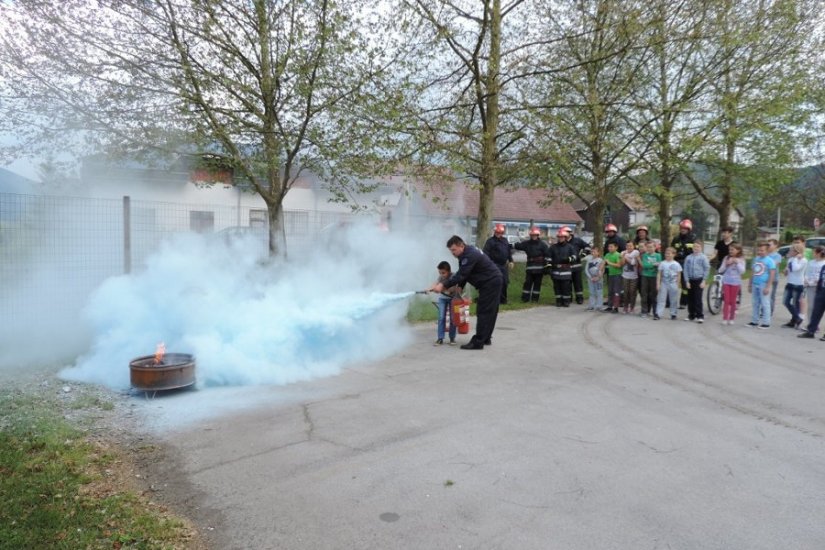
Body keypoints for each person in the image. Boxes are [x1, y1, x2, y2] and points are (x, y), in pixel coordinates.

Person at [429, 235, 503, 350]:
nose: (452, 253)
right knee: (490, 311)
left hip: (490, 282)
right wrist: (460, 287)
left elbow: (461, 274)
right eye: (450, 251)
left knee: (484, 311)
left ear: (461, 246)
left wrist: (442, 285)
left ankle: (478, 342)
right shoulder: (466, 254)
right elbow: (465, 273)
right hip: (493, 281)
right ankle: (486, 338)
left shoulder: (469, 255)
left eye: (453, 250)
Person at [514, 227, 550, 303]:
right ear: (530, 235)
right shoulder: (526, 244)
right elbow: (518, 246)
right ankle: (525, 298)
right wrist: (513, 244)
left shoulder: (543, 245)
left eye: (535, 235)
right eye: (532, 235)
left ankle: (535, 299)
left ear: (538, 235)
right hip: (530, 268)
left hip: (539, 268)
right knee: (527, 283)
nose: (534, 236)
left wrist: (547, 266)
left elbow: (548, 256)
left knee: (537, 284)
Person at [747, 241, 777, 329]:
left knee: (765, 303)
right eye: (759, 250)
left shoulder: (770, 261)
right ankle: (754, 321)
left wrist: (768, 286)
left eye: (762, 250)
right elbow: (752, 271)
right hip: (755, 283)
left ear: (767, 251)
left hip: (763, 284)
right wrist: (749, 284)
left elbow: (772, 274)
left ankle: (766, 322)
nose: (760, 252)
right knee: (755, 303)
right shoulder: (756, 259)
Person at [483, 224, 514, 304]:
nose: (498, 234)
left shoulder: (505, 240)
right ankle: (494, 299)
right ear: (495, 232)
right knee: (495, 282)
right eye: (497, 232)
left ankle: (503, 300)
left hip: (503, 265)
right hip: (494, 265)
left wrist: (511, 260)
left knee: (504, 282)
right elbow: (485, 253)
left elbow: (508, 251)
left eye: (500, 232)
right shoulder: (490, 241)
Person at [546, 228, 578, 307]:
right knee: (557, 287)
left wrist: (568, 259)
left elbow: (575, 257)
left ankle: (566, 301)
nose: (560, 238)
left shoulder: (570, 247)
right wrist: (549, 268)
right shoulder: (553, 247)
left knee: (566, 287)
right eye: (559, 237)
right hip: (556, 270)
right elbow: (548, 258)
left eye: (562, 237)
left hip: (566, 271)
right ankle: (559, 301)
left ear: (565, 238)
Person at [798, 246, 825, 339]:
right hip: (819, 290)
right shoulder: (818, 265)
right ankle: (811, 330)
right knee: (815, 310)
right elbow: (819, 277)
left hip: (819, 288)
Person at [432, 261, 461, 345]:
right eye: (440, 273)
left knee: (453, 319)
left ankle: (452, 338)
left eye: (443, 273)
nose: (441, 275)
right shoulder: (441, 277)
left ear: (449, 271)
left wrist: (440, 289)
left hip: (453, 299)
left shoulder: (454, 276)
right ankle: (440, 338)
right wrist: (429, 288)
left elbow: (453, 289)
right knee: (441, 318)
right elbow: (436, 284)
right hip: (442, 299)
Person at [670, 219, 696, 308]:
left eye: (685, 228)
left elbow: (695, 252)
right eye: (681, 228)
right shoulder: (676, 239)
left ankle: (683, 302)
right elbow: (672, 250)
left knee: (685, 283)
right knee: (672, 281)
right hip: (676, 262)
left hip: (687, 263)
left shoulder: (693, 239)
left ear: (689, 229)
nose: (683, 230)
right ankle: (669, 302)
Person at [717, 243, 746, 325]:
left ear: (738, 250)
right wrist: (726, 264)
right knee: (726, 300)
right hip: (726, 281)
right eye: (730, 249)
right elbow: (720, 270)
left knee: (733, 301)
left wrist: (737, 263)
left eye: (732, 249)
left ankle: (731, 318)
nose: (730, 251)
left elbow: (742, 271)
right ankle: (725, 318)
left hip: (736, 283)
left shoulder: (741, 259)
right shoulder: (726, 258)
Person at [683, 238, 710, 323]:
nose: (696, 248)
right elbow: (685, 269)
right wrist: (687, 281)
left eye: (698, 247)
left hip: (699, 280)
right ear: (692, 247)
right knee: (690, 299)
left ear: (701, 248)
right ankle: (691, 315)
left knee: (698, 298)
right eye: (694, 246)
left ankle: (700, 316)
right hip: (690, 280)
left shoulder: (703, 257)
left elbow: (706, 269)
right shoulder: (688, 258)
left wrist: (704, 280)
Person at [781, 242, 808, 329]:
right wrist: (786, 271)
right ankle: (797, 318)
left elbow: (796, 269)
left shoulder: (803, 260)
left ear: (797, 252)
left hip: (798, 284)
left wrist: (796, 259)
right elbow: (789, 270)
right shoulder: (791, 259)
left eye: (791, 250)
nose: (789, 251)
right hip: (790, 283)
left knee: (796, 304)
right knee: (785, 301)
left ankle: (794, 321)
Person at [565, 226, 591, 304]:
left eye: (567, 233)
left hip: (576, 266)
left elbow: (587, 247)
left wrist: (582, 255)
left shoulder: (577, 241)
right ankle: (568, 298)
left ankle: (579, 298)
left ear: (570, 233)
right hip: (566, 267)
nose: (565, 234)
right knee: (567, 283)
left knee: (577, 283)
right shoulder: (562, 242)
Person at [656, 247, 682, 321]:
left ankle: (673, 314)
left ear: (674, 254)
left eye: (669, 254)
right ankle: (658, 314)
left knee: (673, 299)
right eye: (666, 253)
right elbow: (659, 274)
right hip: (664, 283)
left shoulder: (676, 264)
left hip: (673, 283)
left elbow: (678, 274)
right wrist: (658, 284)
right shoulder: (662, 263)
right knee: (661, 299)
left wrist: (677, 284)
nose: (667, 255)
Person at [639, 241, 661, 318]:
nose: (649, 248)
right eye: (648, 247)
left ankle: (654, 311)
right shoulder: (645, 255)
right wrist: (654, 265)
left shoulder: (658, 255)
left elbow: (659, 265)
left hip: (654, 276)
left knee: (653, 295)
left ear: (655, 247)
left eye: (651, 247)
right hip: (645, 276)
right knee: (644, 294)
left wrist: (654, 265)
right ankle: (644, 311)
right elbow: (644, 265)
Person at [620, 240, 640, 313]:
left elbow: (634, 263)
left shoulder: (636, 252)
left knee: (632, 292)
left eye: (631, 246)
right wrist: (623, 257)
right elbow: (621, 264)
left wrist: (626, 258)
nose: (629, 247)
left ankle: (632, 307)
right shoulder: (623, 252)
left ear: (634, 246)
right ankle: (625, 307)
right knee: (626, 292)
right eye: (627, 245)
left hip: (634, 276)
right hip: (625, 276)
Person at [603, 241, 623, 313]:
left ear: (616, 247)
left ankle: (616, 307)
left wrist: (609, 263)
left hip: (617, 275)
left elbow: (619, 265)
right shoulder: (607, 255)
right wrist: (600, 271)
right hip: (610, 275)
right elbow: (604, 263)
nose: (609, 248)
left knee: (616, 291)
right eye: (609, 247)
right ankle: (609, 306)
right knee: (610, 291)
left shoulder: (618, 255)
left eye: (611, 247)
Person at [766, 239, 783, 318]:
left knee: (771, 296)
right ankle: (764, 310)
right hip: (764, 278)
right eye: (767, 244)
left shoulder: (777, 255)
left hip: (773, 279)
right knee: (764, 295)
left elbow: (773, 265)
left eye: (770, 244)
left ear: (775, 245)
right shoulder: (765, 255)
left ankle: (770, 311)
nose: (768, 246)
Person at [586, 246, 605, 311]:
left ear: (598, 253)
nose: (593, 253)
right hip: (590, 279)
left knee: (599, 292)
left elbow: (602, 270)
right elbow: (586, 270)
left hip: (599, 279)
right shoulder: (589, 260)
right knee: (592, 292)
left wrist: (598, 277)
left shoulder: (601, 260)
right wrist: (590, 277)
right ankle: (591, 305)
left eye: (594, 251)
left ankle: (599, 306)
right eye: (592, 251)